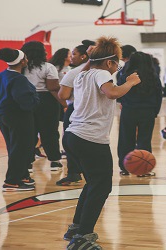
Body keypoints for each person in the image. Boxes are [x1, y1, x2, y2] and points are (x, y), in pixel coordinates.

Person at [62, 36, 140, 250]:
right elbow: (112, 92)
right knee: (102, 186)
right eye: (117, 63)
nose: (117, 67)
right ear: (109, 62)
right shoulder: (103, 73)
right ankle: (82, 238)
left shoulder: (82, 73)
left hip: (72, 135)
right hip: (90, 138)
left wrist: (94, 55)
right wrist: (130, 82)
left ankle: (76, 228)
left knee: (93, 183)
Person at [0, 48, 39, 191]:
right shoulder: (19, 79)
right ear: (23, 61)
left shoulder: (0, 76)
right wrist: (35, 100)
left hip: (1, 115)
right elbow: (25, 102)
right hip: (18, 116)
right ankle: (11, 181)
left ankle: (22, 175)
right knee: (20, 148)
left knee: (14, 147)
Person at [117, 52, 162, 176]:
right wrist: (155, 112)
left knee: (126, 139)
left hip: (129, 110)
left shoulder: (126, 75)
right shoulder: (153, 75)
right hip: (147, 111)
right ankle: (144, 168)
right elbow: (159, 94)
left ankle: (124, 167)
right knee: (145, 139)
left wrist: (123, 103)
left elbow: (120, 90)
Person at [21, 41, 64, 171]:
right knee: (49, 131)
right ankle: (55, 161)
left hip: (26, 99)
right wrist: (64, 103)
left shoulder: (21, 67)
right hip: (46, 101)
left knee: (28, 132)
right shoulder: (48, 67)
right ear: (41, 52)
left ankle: (28, 162)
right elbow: (53, 88)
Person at [56, 40, 93, 186]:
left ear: (84, 56)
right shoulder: (101, 70)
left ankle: (73, 172)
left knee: (69, 142)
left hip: (76, 109)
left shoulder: (74, 72)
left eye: (74, 53)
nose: (72, 57)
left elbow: (63, 95)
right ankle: (88, 170)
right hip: (94, 109)